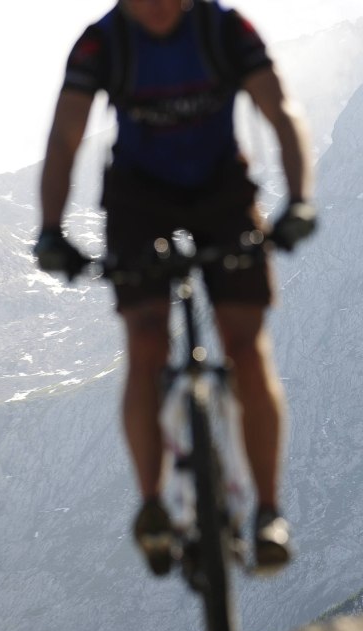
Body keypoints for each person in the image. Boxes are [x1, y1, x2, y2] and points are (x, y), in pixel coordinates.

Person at [33, 0, 316, 573]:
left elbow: (280, 111)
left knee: (245, 345)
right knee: (144, 345)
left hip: (222, 191)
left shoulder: (227, 31)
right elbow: (65, 137)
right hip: (139, 197)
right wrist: (50, 229)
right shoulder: (102, 44)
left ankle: (267, 513)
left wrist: (301, 199)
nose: (159, 4)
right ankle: (153, 505)